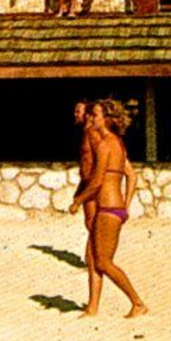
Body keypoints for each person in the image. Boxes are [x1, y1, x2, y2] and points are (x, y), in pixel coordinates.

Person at [72, 99, 147, 317]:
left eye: (94, 115)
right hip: (114, 207)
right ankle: (92, 307)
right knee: (93, 258)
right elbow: (129, 175)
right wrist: (127, 203)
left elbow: (96, 182)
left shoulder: (105, 144)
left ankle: (137, 302)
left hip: (108, 209)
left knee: (103, 262)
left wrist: (78, 201)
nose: (91, 118)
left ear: (106, 118)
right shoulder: (117, 143)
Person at [70, 99, 103, 311]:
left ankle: (93, 302)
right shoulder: (86, 134)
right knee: (91, 230)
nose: (76, 115)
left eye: (79, 111)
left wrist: (84, 194)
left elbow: (97, 165)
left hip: (92, 190)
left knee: (93, 232)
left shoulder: (92, 135)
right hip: (87, 187)